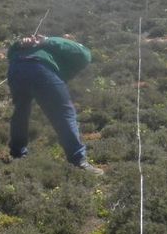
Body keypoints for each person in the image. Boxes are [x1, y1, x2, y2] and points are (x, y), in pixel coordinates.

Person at [7, 33, 103, 173]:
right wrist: (46, 40)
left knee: (21, 112)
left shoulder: (44, 48)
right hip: (40, 69)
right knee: (64, 114)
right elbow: (85, 54)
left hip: (16, 68)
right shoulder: (57, 43)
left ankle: (17, 153)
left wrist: (20, 44)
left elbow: (10, 53)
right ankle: (78, 161)